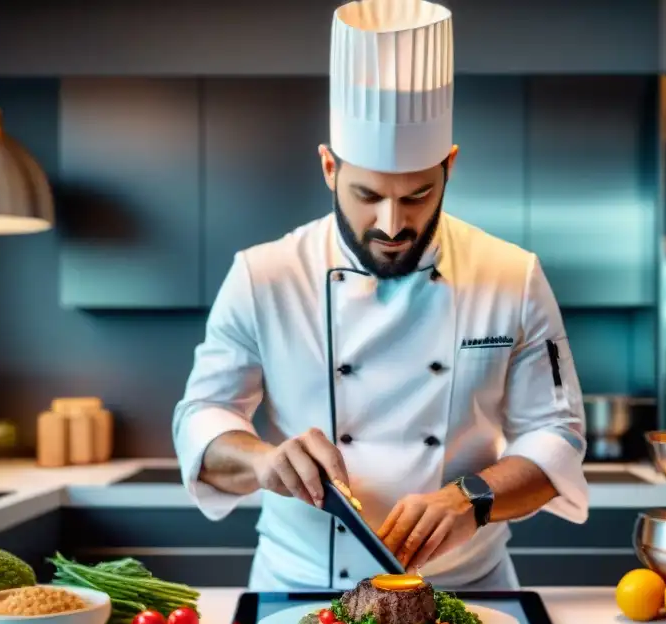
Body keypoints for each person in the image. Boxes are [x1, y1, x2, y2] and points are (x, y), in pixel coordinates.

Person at [173, 0, 590, 592]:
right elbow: (201, 416)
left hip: (467, 591)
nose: (391, 224)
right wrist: (262, 461)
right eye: (367, 194)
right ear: (327, 167)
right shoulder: (262, 276)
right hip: (299, 589)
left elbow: (558, 434)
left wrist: (474, 497)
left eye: (417, 195)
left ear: (450, 166)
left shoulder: (512, 275)